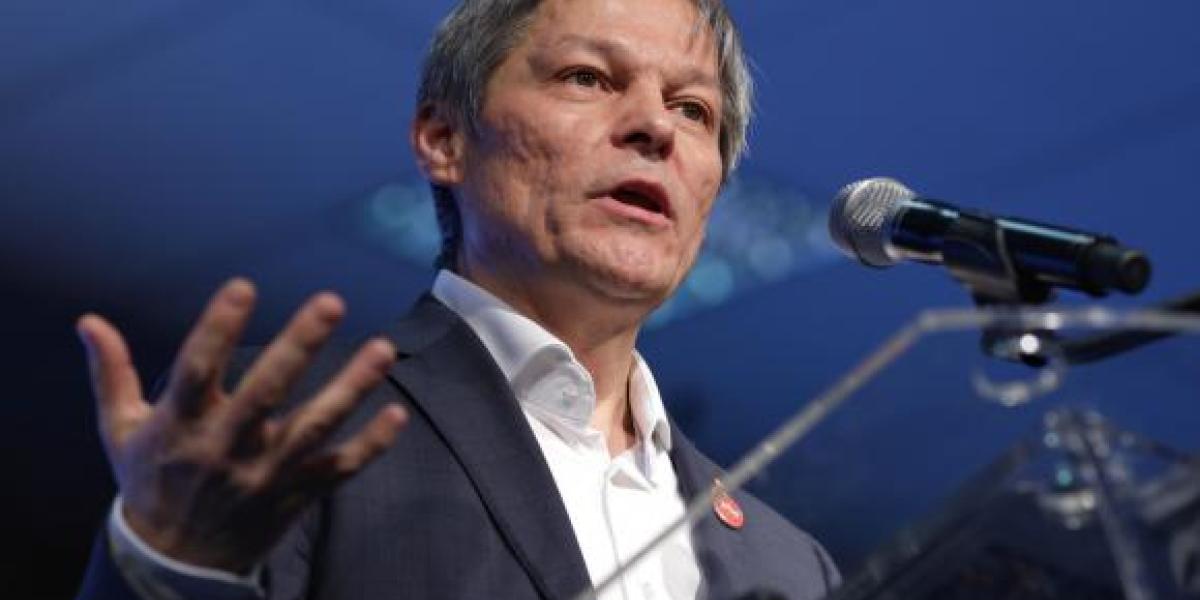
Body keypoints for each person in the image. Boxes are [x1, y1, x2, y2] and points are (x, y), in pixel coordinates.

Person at [75, 0, 840, 598]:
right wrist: (171, 565)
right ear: (444, 139)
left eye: (693, 110)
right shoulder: (290, 427)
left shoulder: (791, 568)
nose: (654, 127)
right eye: (587, 78)